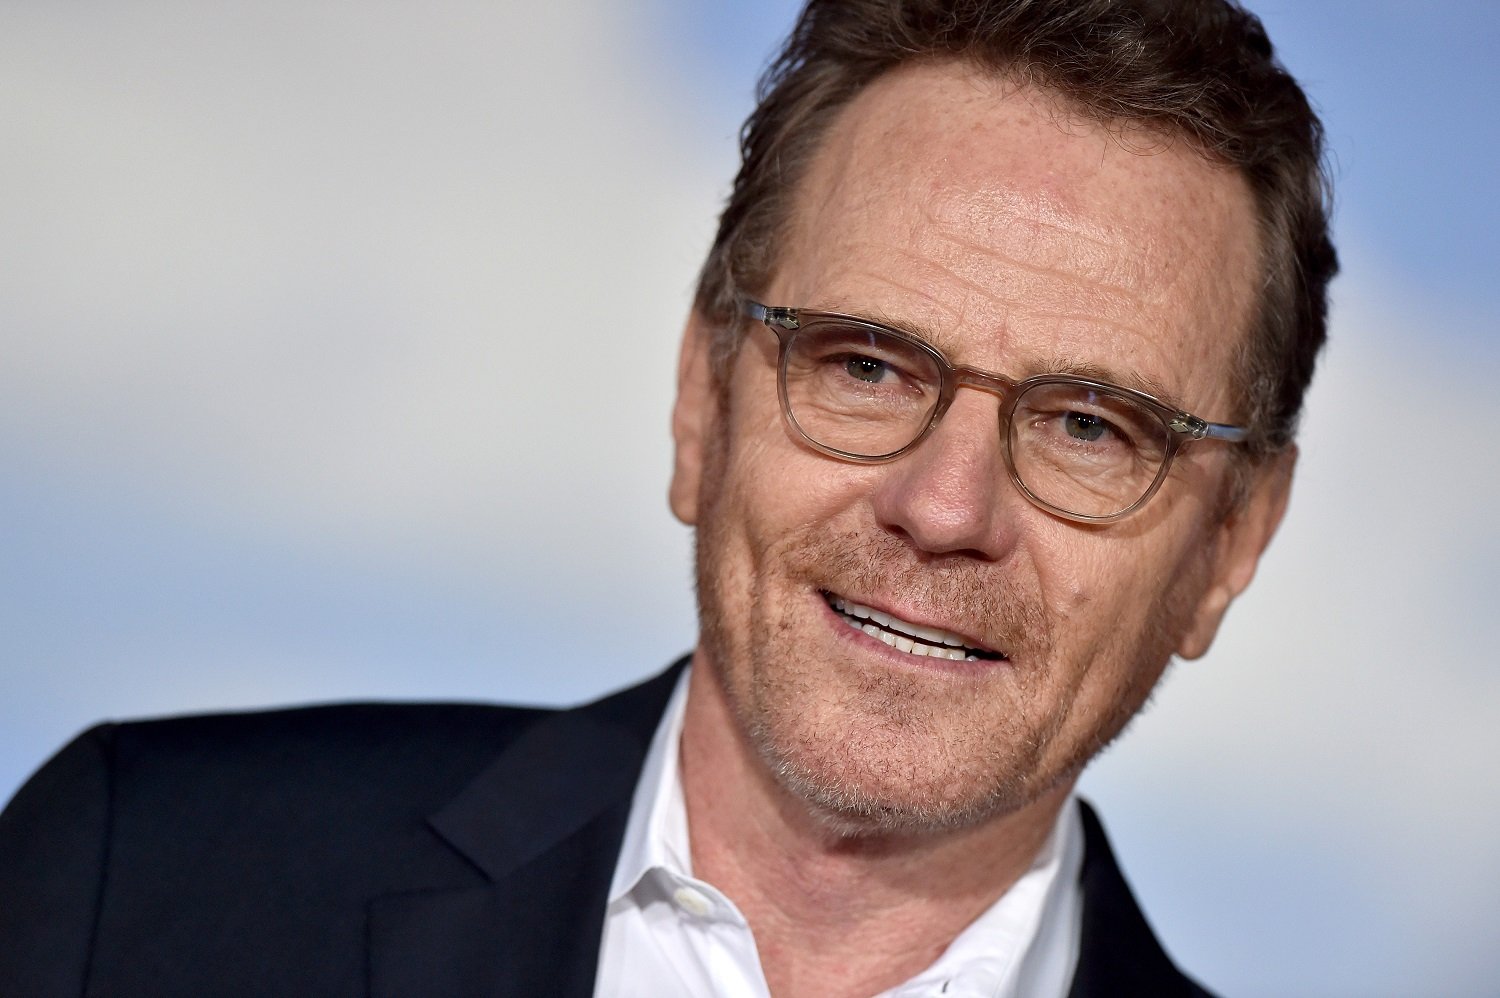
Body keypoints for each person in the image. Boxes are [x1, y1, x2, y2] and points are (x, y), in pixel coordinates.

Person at [0, 0, 1336, 995]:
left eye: (1091, 426)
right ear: (703, 397)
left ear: (1231, 544)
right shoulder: (137, 882)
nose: (943, 509)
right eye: (866, 366)